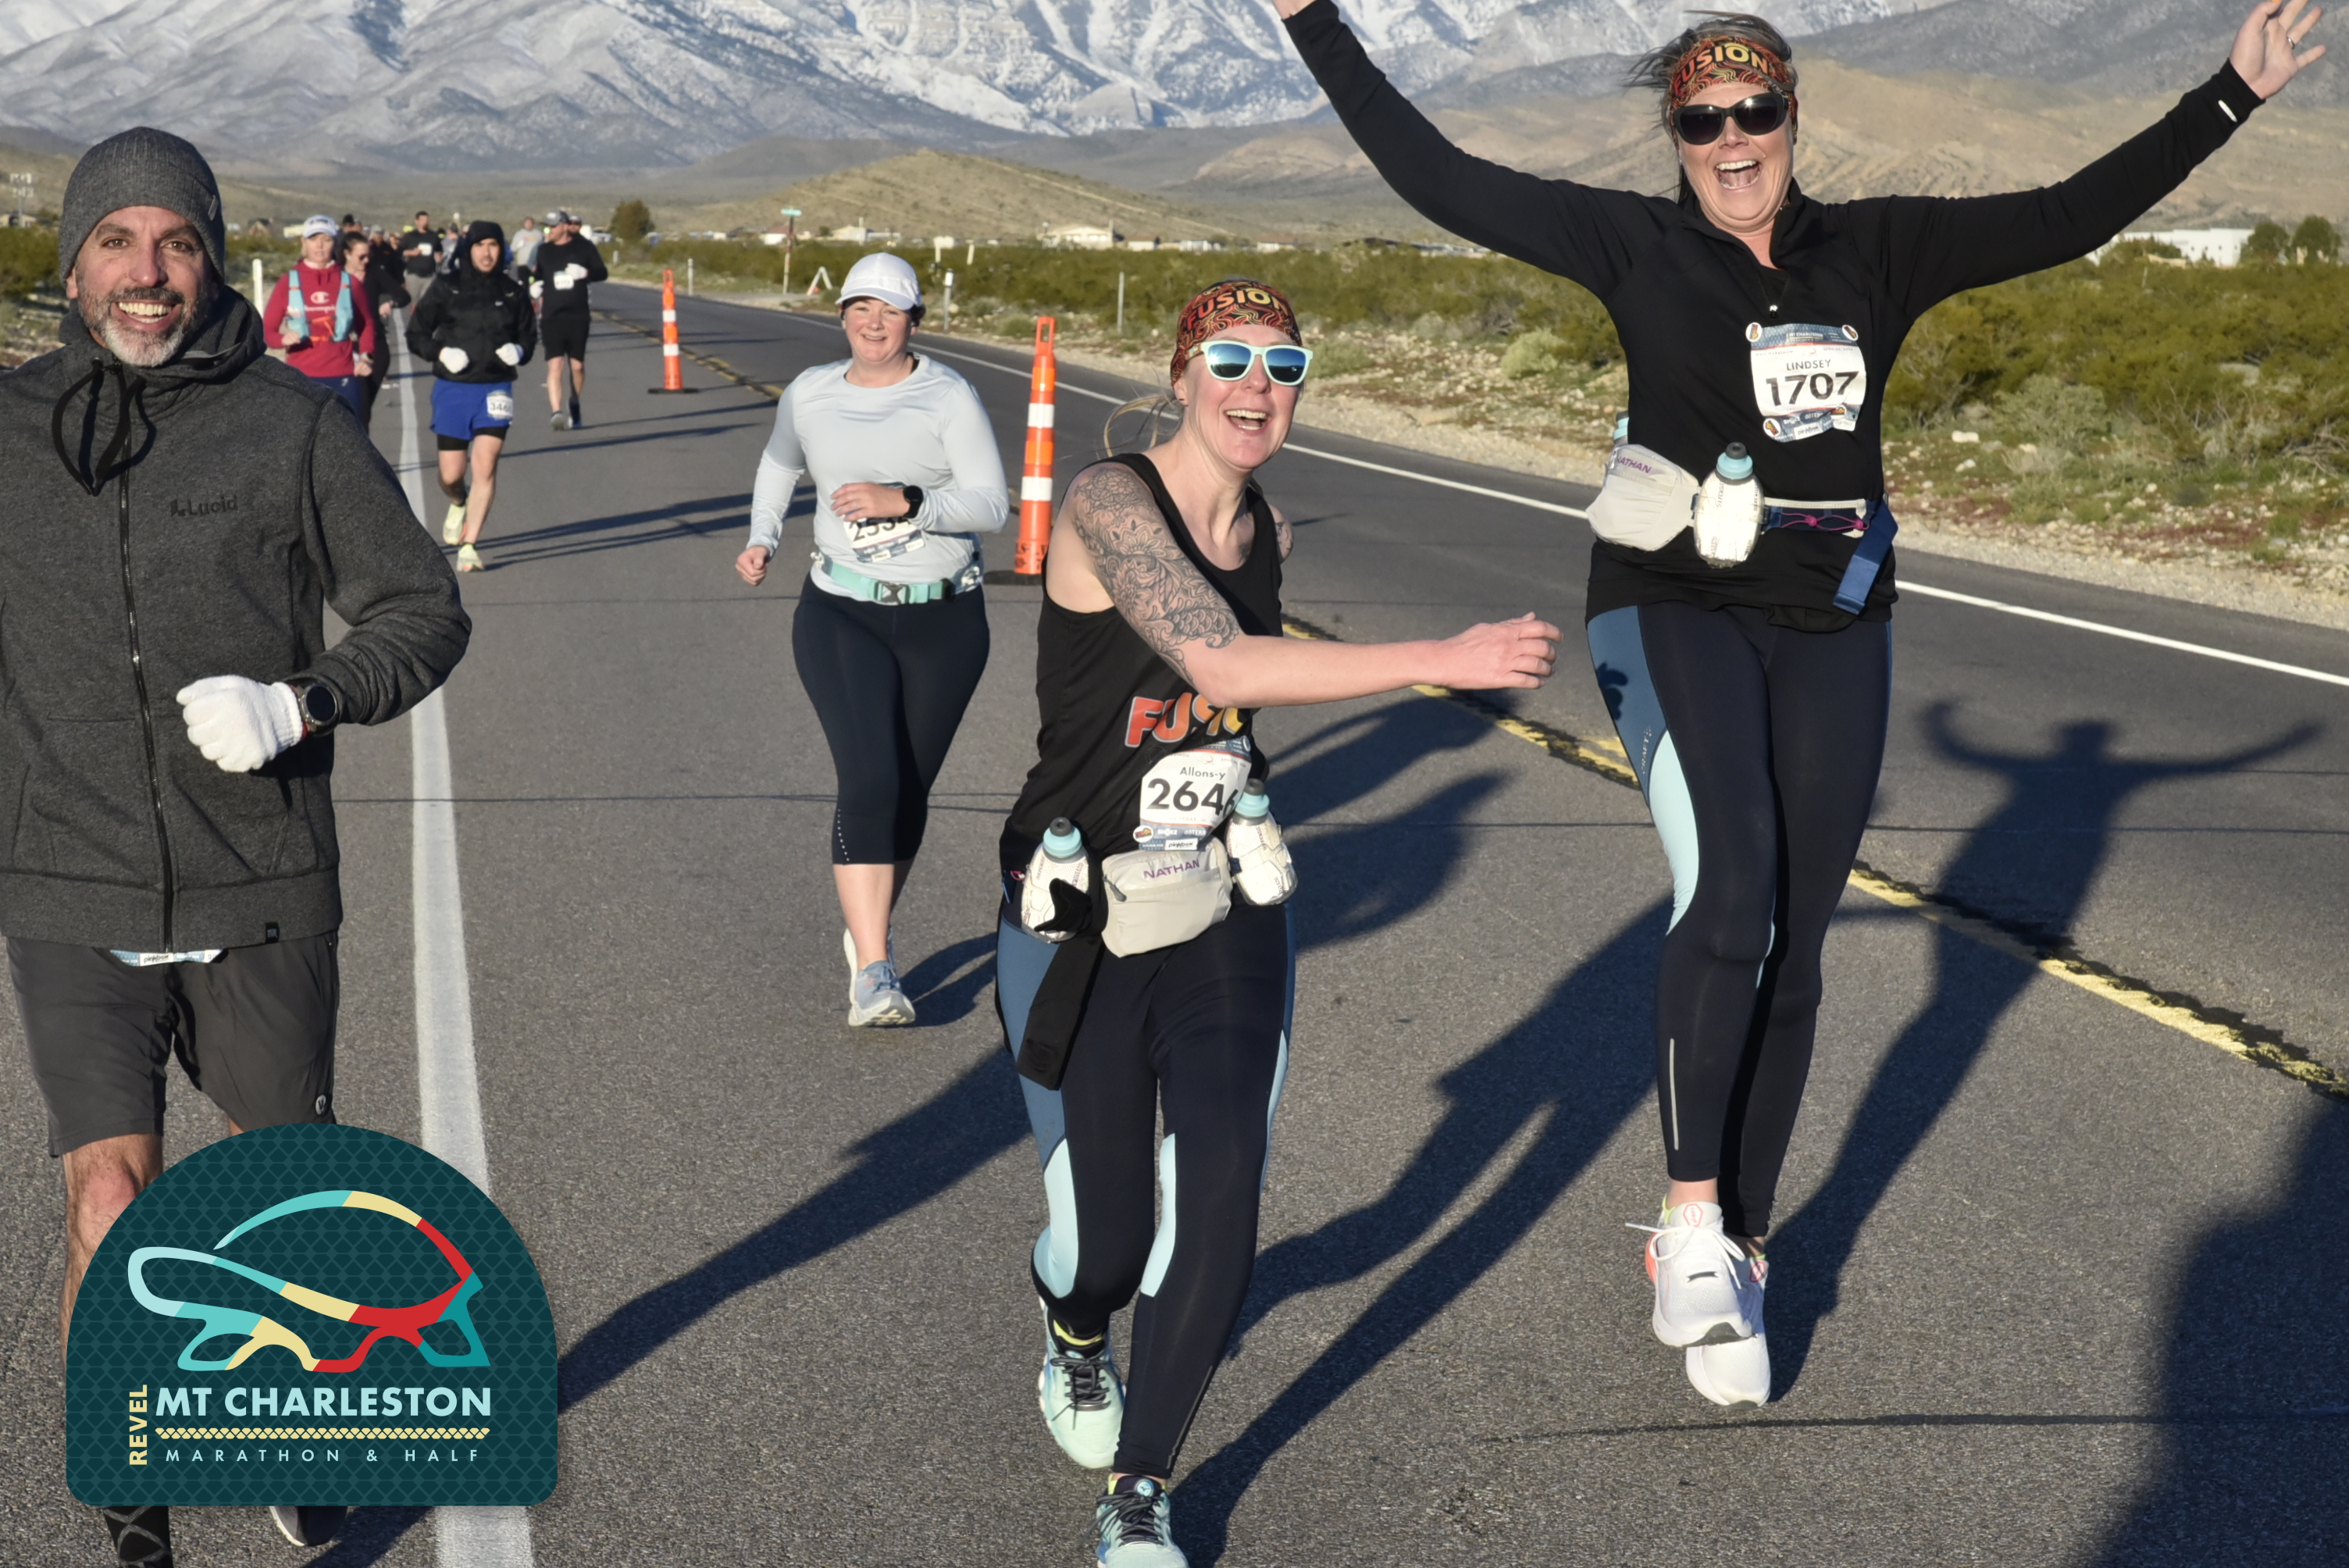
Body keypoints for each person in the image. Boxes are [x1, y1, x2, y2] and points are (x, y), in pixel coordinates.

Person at [1274, 0, 2327, 1412]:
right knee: (1731, 887)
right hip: (1670, 600)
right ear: (1675, 135)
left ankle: (1744, 1244)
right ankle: (1688, 1218)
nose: (1729, 141)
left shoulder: (1875, 251)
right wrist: (1312, 19)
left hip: (1834, 615)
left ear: (1789, 117)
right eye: (1700, 120)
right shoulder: (1631, 244)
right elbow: (1437, 177)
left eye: (1752, 113)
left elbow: (2069, 215)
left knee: (1796, 943)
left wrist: (2229, 94)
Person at [993, 277, 1561, 1566]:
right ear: (1180, 376)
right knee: (1106, 1246)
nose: (1258, 388)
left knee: (1222, 1194)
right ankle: (1074, 1330)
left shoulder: (1267, 529)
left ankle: (1143, 1487)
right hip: (1078, 911)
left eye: (1285, 366)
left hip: (1222, 899)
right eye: (1232, 361)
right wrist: (1443, 657)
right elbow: (1220, 665)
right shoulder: (1108, 503)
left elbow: (1233, 706)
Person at [0, 126, 469, 1567]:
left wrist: (304, 699)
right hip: (70, 877)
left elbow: (421, 609)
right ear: (73, 263)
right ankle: (133, 1507)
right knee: (110, 1198)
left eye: (177, 241)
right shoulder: (11, 431)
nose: (147, 272)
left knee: (284, 1199)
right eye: (117, 241)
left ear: (212, 260)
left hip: (260, 881)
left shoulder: (292, 427)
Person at [733, 252, 1006, 1027]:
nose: (873, 322)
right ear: (843, 315)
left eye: (889, 310)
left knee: (909, 791)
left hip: (945, 618)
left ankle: (867, 929)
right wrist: (762, 537)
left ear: (914, 320)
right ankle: (876, 971)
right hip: (840, 611)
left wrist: (907, 501)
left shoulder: (948, 396)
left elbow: (991, 505)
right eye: (860, 307)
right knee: (870, 779)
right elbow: (777, 464)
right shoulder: (811, 392)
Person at [407, 219, 535, 572]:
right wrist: (440, 352)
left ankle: (469, 544)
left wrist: (520, 351)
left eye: (493, 245)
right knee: (452, 473)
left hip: (495, 387)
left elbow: (529, 336)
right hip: (453, 388)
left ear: (501, 250)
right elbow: (416, 333)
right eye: (480, 246)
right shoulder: (447, 287)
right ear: (469, 249)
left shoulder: (513, 292)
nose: (487, 253)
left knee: (486, 464)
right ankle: (458, 500)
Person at [260, 213, 376, 415]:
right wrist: (282, 340)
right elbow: (267, 331)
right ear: (304, 242)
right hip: (301, 377)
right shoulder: (288, 282)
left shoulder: (350, 283)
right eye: (314, 239)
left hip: (343, 375)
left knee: (348, 433)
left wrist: (367, 357)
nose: (320, 246)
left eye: (326, 239)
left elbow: (366, 324)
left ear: (335, 243)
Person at [526, 208, 607, 430]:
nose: (548, 231)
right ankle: (557, 413)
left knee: (577, 366)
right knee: (556, 364)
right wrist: (534, 285)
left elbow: (602, 272)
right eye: (546, 227)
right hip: (552, 316)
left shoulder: (584, 247)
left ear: (564, 226)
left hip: (578, 315)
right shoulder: (544, 251)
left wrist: (585, 274)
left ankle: (574, 402)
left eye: (552, 227)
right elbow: (536, 274)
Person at [354, 226, 411, 429]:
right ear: (347, 255)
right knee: (353, 408)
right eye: (361, 257)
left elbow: (403, 295)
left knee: (363, 409)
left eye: (368, 256)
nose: (366, 261)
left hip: (375, 346)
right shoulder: (337, 277)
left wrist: (390, 304)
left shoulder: (374, 274)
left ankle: (360, 446)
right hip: (345, 349)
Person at [400, 208, 440, 283]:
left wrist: (439, 256)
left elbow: (439, 250)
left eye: (427, 220)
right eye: (423, 220)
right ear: (417, 222)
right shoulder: (410, 236)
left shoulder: (434, 236)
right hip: (414, 275)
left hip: (430, 275)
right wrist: (412, 253)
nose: (425, 222)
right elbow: (400, 251)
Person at [508, 211, 543, 280]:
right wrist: (518, 245)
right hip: (522, 264)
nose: (528, 225)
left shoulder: (539, 234)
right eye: (527, 223)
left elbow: (543, 247)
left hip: (534, 264)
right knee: (523, 283)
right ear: (524, 224)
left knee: (535, 283)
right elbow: (512, 249)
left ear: (533, 224)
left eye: (530, 223)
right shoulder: (519, 234)